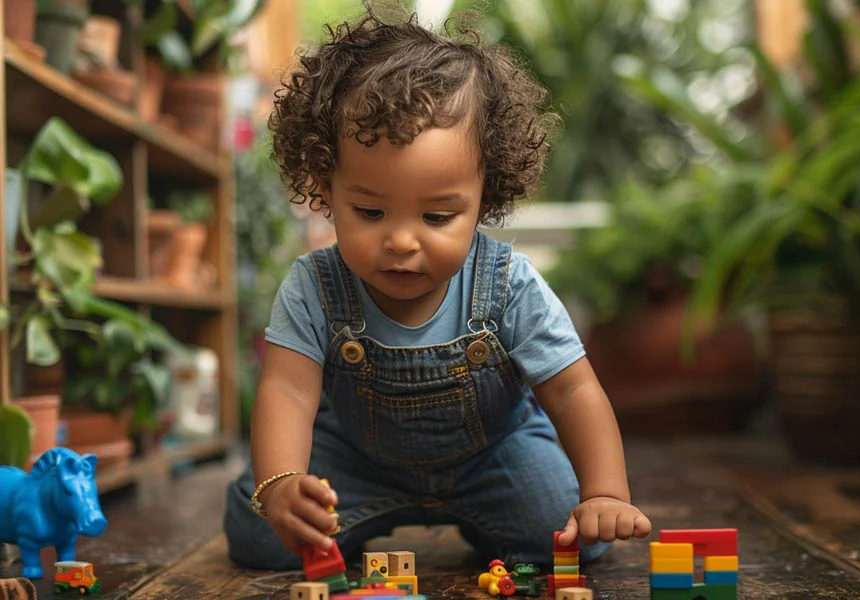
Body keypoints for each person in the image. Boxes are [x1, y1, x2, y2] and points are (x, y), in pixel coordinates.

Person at [224, 4, 651, 571]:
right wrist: (281, 484)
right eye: (370, 211)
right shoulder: (315, 285)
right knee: (258, 536)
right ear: (325, 185)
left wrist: (605, 493)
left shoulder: (510, 284)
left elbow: (573, 392)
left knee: (574, 537)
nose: (402, 241)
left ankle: (490, 519)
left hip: (493, 459)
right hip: (353, 463)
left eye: (438, 217)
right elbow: (287, 392)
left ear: (485, 196)